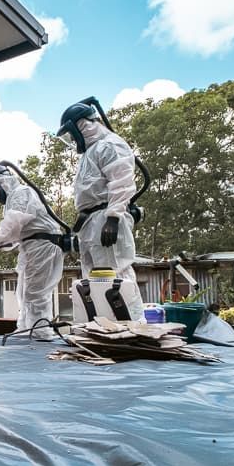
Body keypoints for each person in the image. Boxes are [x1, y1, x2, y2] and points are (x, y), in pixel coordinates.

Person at [58, 98, 145, 320]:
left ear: (81, 126)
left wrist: (113, 217)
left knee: (116, 276)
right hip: (92, 221)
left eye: (71, 135)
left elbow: (122, 182)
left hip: (106, 217)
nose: (71, 141)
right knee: (94, 280)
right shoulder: (92, 152)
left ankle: (132, 328)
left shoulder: (110, 145)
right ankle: (102, 328)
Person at [0, 164, 65, 339]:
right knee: (25, 292)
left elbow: (14, 221)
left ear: (0, 182)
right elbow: (16, 233)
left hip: (42, 245)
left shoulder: (21, 192)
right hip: (32, 246)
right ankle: (26, 329)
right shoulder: (14, 197)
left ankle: (40, 332)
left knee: (36, 292)